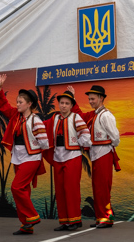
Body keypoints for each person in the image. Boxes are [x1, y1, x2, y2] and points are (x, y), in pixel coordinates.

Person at [0, 74, 49, 235]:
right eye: (17, 102)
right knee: (23, 190)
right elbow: (3, 106)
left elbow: (44, 143)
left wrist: (33, 148)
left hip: (31, 158)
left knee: (16, 187)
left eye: (20, 102)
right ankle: (26, 225)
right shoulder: (15, 117)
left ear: (29, 104)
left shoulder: (36, 121)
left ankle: (32, 216)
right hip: (18, 157)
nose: (17, 104)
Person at [68, 85, 120, 228]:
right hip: (96, 154)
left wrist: (108, 147)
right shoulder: (93, 115)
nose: (90, 101)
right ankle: (100, 217)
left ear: (101, 98)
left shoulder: (106, 116)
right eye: (89, 99)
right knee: (97, 187)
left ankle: (106, 218)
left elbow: (116, 137)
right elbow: (79, 114)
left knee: (103, 187)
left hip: (104, 153)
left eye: (93, 99)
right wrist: (72, 98)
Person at [42, 90, 91, 231]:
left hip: (72, 157)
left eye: (66, 103)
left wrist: (77, 143)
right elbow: (41, 126)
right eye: (61, 103)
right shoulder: (55, 118)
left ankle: (75, 220)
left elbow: (85, 136)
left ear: (71, 105)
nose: (63, 106)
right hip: (58, 157)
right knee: (60, 190)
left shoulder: (76, 118)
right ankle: (64, 221)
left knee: (71, 189)